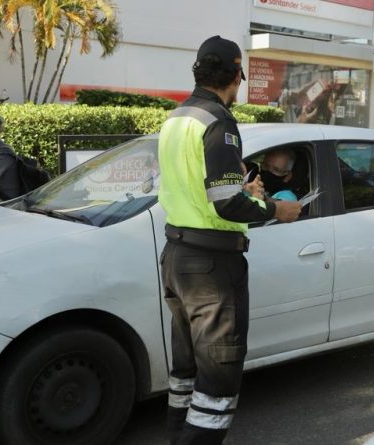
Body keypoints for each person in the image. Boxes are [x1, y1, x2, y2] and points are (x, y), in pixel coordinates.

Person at [157, 35, 302, 445]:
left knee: (186, 371)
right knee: (218, 381)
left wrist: (241, 189)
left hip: (178, 259)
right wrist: (277, 209)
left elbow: (192, 185)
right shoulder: (218, 121)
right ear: (235, 75)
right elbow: (225, 206)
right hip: (212, 268)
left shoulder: (176, 118)